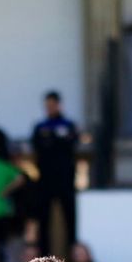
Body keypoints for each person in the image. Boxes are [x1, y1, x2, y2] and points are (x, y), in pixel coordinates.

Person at [30, 91, 79, 253]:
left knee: (70, 219)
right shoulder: (40, 126)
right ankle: (44, 257)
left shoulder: (69, 125)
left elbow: (70, 144)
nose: (50, 108)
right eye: (47, 106)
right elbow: (39, 146)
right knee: (44, 220)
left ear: (59, 105)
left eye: (52, 105)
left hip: (66, 179)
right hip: (45, 180)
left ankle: (74, 254)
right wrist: (56, 140)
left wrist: (52, 140)